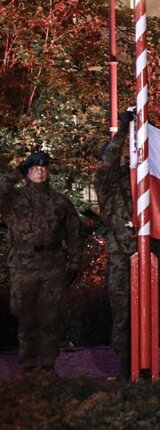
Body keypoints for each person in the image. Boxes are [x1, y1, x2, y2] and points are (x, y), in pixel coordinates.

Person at [0, 150, 81, 373]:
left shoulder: (60, 201)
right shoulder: (13, 199)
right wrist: (17, 171)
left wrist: (74, 263)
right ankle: (28, 364)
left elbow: (74, 233)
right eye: (35, 168)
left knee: (50, 316)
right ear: (27, 172)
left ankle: (47, 364)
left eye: (44, 168)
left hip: (52, 264)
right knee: (24, 316)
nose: (40, 172)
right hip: (23, 264)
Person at [94, 110, 136, 380]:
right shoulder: (104, 181)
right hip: (121, 255)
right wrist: (122, 131)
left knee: (147, 309)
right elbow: (110, 160)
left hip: (145, 252)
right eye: (117, 155)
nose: (121, 158)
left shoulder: (136, 177)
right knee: (122, 311)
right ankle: (124, 365)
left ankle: (146, 361)